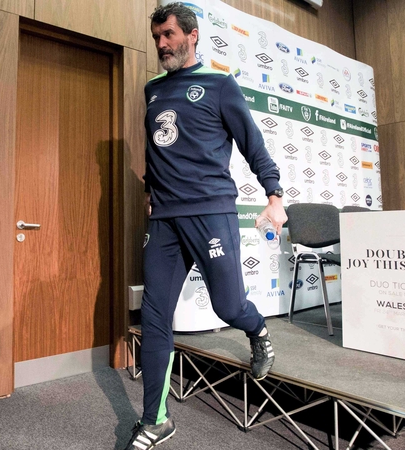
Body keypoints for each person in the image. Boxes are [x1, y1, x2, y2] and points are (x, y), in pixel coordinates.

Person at [125, 3, 288, 449]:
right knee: (156, 315)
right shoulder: (153, 89)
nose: (162, 44)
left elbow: (253, 144)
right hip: (164, 221)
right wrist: (150, 187)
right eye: (157, 37)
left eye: (170, 35)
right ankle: (156, 420)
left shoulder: (219, 85)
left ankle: (256, 331)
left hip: (211, 212)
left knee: (229, 306)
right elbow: (157, 145)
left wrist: (274, 197)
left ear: (193, 36)